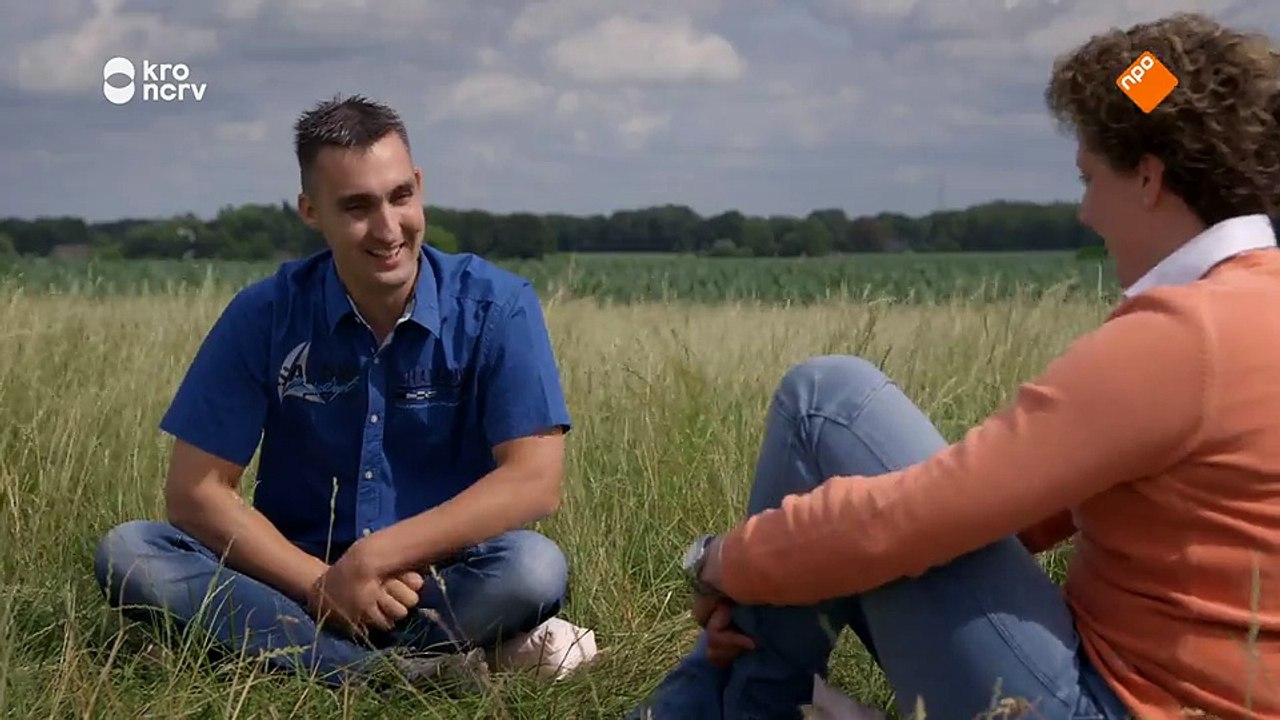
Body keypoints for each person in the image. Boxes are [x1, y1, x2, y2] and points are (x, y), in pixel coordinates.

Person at [630, 12, 1280, 720]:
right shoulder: (1253, 307)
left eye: (1090, 178)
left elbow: (914, 518)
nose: (1085, 213)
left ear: (1149, 178)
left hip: (1110, 706)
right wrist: (783, 565)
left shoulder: (1185, 337)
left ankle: (717, 709)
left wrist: (723, 559)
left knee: (826, 400)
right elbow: (1020, 502)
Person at [93, 95, 577, 688]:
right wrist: (321, 585)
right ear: (310, 210)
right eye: (356, 206)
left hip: (433, 585)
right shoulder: (263, 314)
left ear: (419, 184)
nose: (387, 228)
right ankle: (401, 676)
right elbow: (195, 492)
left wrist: (375, 561)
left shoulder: (497, 306)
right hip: (291, 583)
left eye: (400, 196)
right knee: (132, 552)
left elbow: (534, 481)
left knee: (533, 568)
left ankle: (303, 660)